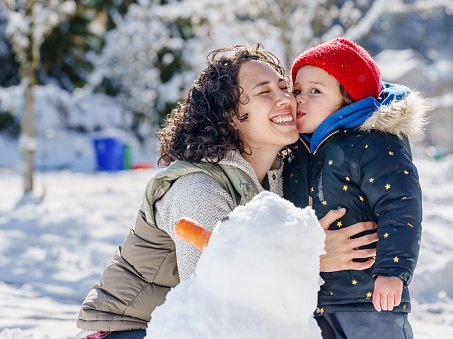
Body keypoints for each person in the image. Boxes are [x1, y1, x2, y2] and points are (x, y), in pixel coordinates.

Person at [75, 44, 378, 339]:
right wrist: (311, 257)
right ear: (229, 116)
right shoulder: (199, 190)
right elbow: (218, 296)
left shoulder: (280, 176)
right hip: (133, 329)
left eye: (285, 87)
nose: (286, 98)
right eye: (264, 92)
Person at [283, 37, 430, 339]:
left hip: (370, 300)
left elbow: (400, 204)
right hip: (315, 300)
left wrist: (392, 271)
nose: (299, 98)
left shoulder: (374, 144)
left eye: (315, 91)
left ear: (348, 99)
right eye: (296, 90)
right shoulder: (298, 150)